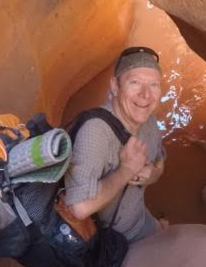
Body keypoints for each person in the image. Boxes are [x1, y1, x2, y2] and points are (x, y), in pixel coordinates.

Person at [64, 47, 169, 243]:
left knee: (163, 233)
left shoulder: (149, 120)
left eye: (154, 84)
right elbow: (79, 207)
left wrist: (152, 174)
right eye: (135, 82)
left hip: (140, 219)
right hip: (109, 241)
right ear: (114, 86)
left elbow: (160, 160)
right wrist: (127, 170)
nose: (145, 95)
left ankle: (156, 227)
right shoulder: (96, 131)